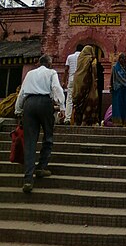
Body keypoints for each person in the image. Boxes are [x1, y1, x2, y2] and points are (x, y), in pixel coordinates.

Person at [14, 54, 65, 193]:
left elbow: (22, 93)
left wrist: (18, 110)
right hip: (44, 103)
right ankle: (41, 167)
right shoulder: (51, 72)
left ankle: (28, 180)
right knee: (48, 136)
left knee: (30, 142)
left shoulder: (30, 74)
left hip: (29, 104)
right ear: (48, 64)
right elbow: (56, 88)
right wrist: (62, 107)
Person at [72, 45, 99, 126]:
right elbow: (94, 69)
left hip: (77, 81)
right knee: (89, 100)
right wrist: (95, 79)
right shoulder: (91, 59)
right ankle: (85, 121)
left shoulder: (79, 58)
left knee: (78, 101)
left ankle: (77, 121)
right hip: (87, 82)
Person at [62, 44, 83, 125]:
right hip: (80, 80)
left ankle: (67, 119)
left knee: (69, 99)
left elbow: (66, 69)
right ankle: (79, 119)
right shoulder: (83, 57)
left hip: (71, 79)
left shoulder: (70, 57)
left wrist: (64, 81)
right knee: (80, 99)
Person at [110, 53, 126, 126]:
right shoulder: (115, 67)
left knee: (124, 104)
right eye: (122, 58)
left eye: (124, 58)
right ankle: (116, 122)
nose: (123, 60)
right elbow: (112, 78)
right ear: (119, 59)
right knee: (117, 105)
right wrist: (111, 87)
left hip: (124, 89)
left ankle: (124, 121)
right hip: (117, 89)